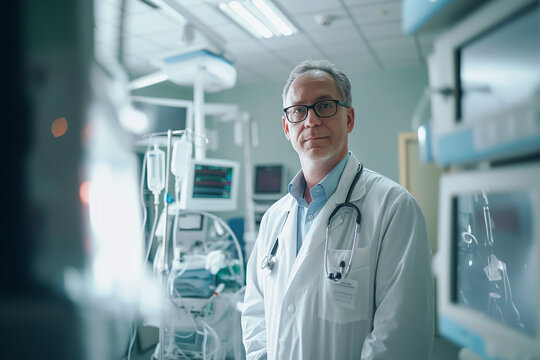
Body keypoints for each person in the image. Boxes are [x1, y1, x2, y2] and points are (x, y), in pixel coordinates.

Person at [241, 59, 434, 360]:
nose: (311, 121)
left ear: (349, 118)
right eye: (298, 110)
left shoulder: (394, 208)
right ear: (286, 127)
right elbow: (255, 311)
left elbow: (399, 338)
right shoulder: (274, 219)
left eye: (325, 106)